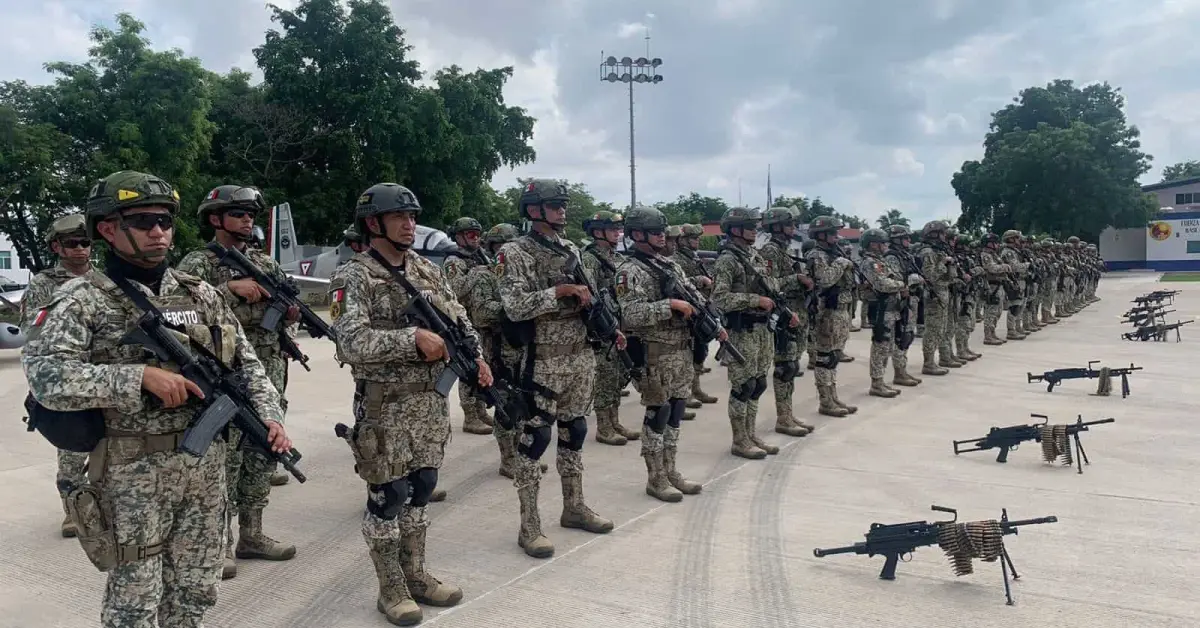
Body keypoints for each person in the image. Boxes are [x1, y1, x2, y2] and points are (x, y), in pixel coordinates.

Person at [22, 170, 289, 628]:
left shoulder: (199, 294)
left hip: (205, 472)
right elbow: (47, 377)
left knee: (197, 588)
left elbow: (246, 365)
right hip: (132, 475)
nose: (159, 231)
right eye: (144, 221)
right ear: (108, 228)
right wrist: (137, 377)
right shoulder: (83, 300)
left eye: (165, 221)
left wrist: (269, 416)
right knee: (135, 601)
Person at [330, 183, 483, 625]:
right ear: (373, 223)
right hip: (384, 409)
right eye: (399, 217)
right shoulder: (353, 275)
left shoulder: (426, 269)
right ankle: (390, 588)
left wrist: (478, 359)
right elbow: (349, 341)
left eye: (413, 217)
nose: (409, 224)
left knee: (422, 488)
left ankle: (416, 574)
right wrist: (411, 339)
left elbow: (459, 317)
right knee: (388, 496)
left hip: (429, 405)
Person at [175, 185, 299, 580]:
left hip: (268, 370)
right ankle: (221, 542)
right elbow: (180, 312)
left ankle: (253, 534)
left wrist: (288, 311)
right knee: (225, 457)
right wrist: (228, 289)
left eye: (251, 214)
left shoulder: (266, 263)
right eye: (238, 213)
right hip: (223, 373)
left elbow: (286, 313)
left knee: (263, 450)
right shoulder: (198, 263)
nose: (248, 219)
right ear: (215, 218)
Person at [497, 179, 614, 559]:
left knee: (575, 430)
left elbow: (592, 295)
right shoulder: (515, 252)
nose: (563, 210)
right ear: (534, 210)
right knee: (535, 440)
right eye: (554, 205)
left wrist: (606, 324)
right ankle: (529, 525)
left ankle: (574, 506)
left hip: (580, 355)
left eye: (563, 205)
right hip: (543, 360)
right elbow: (514, 306)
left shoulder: (571, 250)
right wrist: (558, 293)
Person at [615, 207, 714, 501]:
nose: (662, 236)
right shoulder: (628, 270)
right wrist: (668, 305)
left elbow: (692, 298)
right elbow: (629, 314)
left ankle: (671, 471)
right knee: (658, 413)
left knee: (676, 411)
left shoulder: (669, 265)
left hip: (680, 349)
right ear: (637, 235)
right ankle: (655, 478)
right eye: (655, 232)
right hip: (653, 353)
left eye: (662, 231)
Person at [20, 214, 95, 538]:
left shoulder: (103, 280)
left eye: (86, 242)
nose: (80, 249)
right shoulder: (44, 284)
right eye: (72, 243)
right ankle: (73, 510)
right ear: (56, 247)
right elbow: (32, 332)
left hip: (102, 372)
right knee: (72, 449)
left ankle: (102, 504)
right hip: (67, 376)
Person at [711, 207, 797, 458]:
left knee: (757, 384)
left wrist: (787, 312)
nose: (755, 230)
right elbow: (719, 298)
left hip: (762, 329)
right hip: (742, 331)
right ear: (735, 230)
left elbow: (773, 287)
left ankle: (750, 434)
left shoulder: (753, 255)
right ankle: (740, 440)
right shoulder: (727, 259)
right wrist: (754, 300)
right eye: (750, 227)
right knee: (743, 386)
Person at [581, 210, 640, 444]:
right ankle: (604, 427)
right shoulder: (590, 259)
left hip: (620, 324)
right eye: (613, 229)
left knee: (617, 377)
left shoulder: (616, 257)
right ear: (598, 232)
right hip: (602, 329)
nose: (618, 233)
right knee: (605, 378)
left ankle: (614, 421)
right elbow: (591, 296)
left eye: (619, 229)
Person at [755, 207, 814, 436]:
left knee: (792, 365)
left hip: (796, 314)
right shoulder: (770, 251)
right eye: (789, 224)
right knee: (785, 368)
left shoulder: (784, 250)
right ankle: (783, 418)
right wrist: (796, 278)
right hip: (783, 316)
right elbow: (769, 284)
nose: (793, 228)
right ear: (777, 226)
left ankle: (787, 414)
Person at [442, 217, 495, 436]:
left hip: (482, 323)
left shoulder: (478, 256)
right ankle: (470, 416)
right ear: (459, 237)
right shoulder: (454, 261)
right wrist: (477, 273)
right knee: (468, 369)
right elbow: (456, 290)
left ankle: (480, 410)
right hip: (465, 324)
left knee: (485, 367)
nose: (476, 238)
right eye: (471, 234)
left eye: (477, 234)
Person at [805, 216, 858, 416]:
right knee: (825, 357)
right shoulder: (816, 255)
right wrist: (841, 264)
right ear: (821, 235)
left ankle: (833, 396)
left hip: (841, 310)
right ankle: (825, 401)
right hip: (826, 312)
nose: (837, 237)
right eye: (833, 233)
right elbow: (825, 280)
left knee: (834, 356)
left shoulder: (834, 253)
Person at [856, 228, 908, 398]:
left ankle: (881, 381)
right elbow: (882, 284)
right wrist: (901, 284)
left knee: (888, 346)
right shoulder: (870, 262)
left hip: (890, 308)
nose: (884, 245)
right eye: (881, 242)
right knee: (880, 346)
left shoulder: (879, 261)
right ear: (872, 244)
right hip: (880, 309)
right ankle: (876, 383)